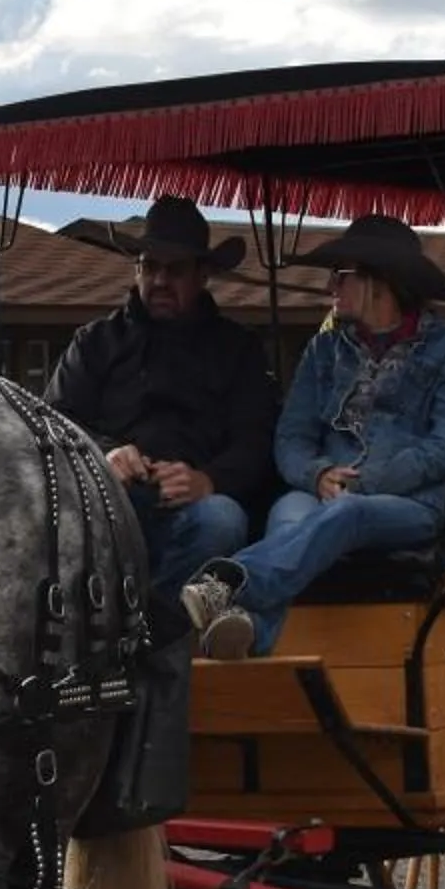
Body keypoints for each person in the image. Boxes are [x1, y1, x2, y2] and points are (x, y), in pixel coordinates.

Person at [179, 214, 445, 660]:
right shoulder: (325, 349)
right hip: (322, 493)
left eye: (342, 274)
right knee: (289, 511)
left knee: (348, 512)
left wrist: (364, 483)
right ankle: (253, 630)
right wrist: (317, 476)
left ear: (380, 281)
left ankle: (229, 584)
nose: (331, 285)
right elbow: (291, 438)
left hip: (410, 504)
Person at [43, 195, 280, 594]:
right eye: (149, 267)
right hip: (108, 500)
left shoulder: (238, 349)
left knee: (224, 520)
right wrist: (104, 454)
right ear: (137, 270)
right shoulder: (95, 342)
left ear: (203, 274)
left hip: (197, 507)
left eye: (175, 270)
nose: (159, 281)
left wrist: (208, 480)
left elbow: (256, 440)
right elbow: (52, 421)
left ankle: (148, 635)